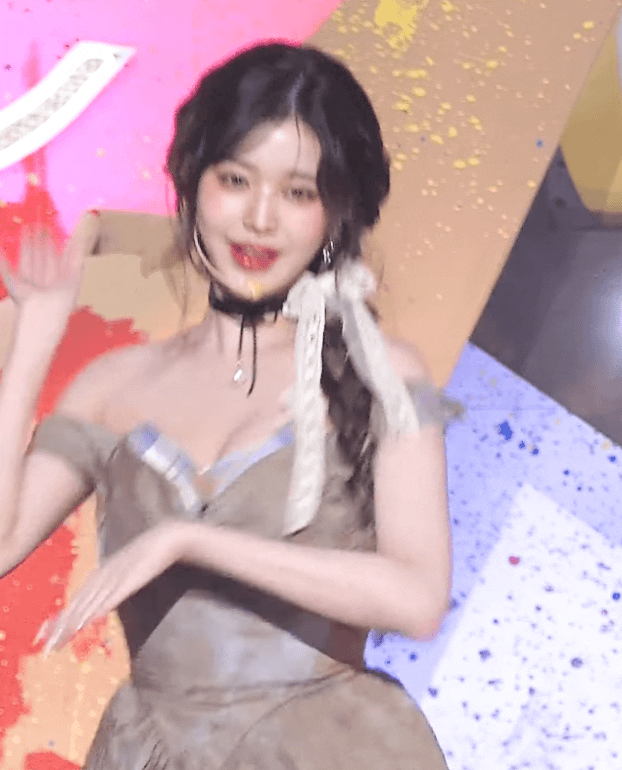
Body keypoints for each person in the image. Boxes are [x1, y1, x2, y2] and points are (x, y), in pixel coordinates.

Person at [0, 43, 453, 768]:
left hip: (326, 747)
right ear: (192, 178)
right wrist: (33, 338)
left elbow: (418, 598)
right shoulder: (113, 384)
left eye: (298, 193)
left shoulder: (379, 372)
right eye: (236, 180)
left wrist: (191, 541)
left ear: (335, 213)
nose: (260, 218)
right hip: (150, 748)